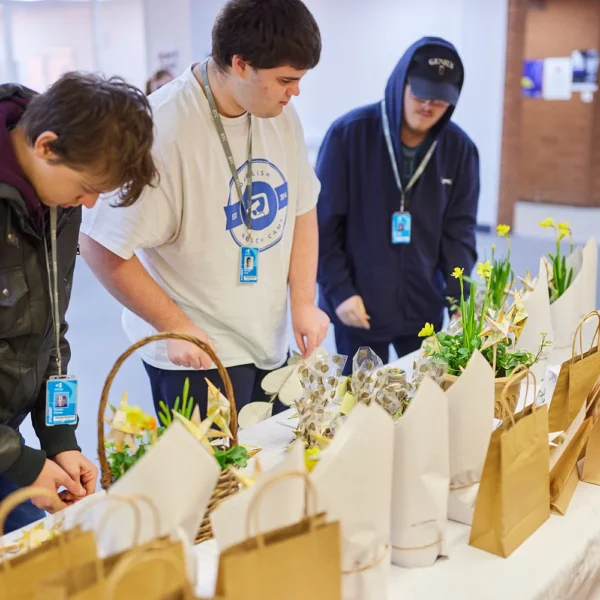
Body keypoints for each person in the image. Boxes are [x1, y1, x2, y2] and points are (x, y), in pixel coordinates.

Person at [80, 0, 329, 421]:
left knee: (273, 456)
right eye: (286, 80)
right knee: (213, 466)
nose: (295, 92)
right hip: (195, 355)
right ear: (241, 64)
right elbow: (99, 244)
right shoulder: (160, 128)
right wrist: (175, 325)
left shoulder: (281, 115)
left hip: (269, 341)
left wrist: (303, 302)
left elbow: (303, 208)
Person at [0, 72, 157, 532]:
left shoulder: (57, 200)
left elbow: (49, 327)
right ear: (46, 146)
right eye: (87, 188)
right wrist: (25, 464)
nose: (88, 204)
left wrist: (59, 438)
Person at [316, 37, 479, 373]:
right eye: (420, 94)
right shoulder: (349, 135)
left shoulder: (460, 150)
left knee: (424, 396)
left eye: (440, 99)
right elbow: (323, 227)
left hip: (424, 309)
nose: (428, 106)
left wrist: (458, 297)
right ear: (400, 83)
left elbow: (459, 232)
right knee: (361, 398)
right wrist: (339, 291)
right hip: (357, 306)